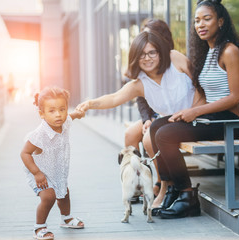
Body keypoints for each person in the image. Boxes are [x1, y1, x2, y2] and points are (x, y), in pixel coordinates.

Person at [76, 30, 203, 207]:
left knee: (157, 133)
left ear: (160, 52)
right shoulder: (140, 84)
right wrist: (89, 104)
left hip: (199, 118)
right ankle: (168, 187)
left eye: (152, 52)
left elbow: (199, 83)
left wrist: (198, 109)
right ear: (135, 57)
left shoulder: (175, 58)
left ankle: (173, 189)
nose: (147, 58)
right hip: (175, 125)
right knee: (153, 134)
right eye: (142, 54)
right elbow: (113, 98)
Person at [149, 0, 239, 219]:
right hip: (211, 117)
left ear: (221, 22)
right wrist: (187, 111)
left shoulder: (230, 51)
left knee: (165, 135)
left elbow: (235, 97)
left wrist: (196, 112)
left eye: (207, 18)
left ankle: (186, 196)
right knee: (158, 125)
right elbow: (206, 96)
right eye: (196, 20)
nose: (200, 24)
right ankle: (175, 189)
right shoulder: (210, 51)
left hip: (228, 121)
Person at [20, 86, 85, 240]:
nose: (58, 115)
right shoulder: (39, 135)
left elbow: (71, 116)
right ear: (41, 114)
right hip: (38, 171)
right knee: (49, 196)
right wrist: (37, 173)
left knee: (64, 192)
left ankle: (66, 218)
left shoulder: (65, 122)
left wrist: (79, 113)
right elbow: (24, 153)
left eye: (62, 109)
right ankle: (39, 227)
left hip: (57, 168)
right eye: (52, 111)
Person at [124, 18, 175, 200]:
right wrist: (146, 119)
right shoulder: (145, 61)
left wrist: (155, 121)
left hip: (170, 115)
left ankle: (160, 182)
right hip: (153, 115)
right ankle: (137, 183)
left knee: (148, 138)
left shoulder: (171, 60)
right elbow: (141, 98)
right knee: (130, 134)